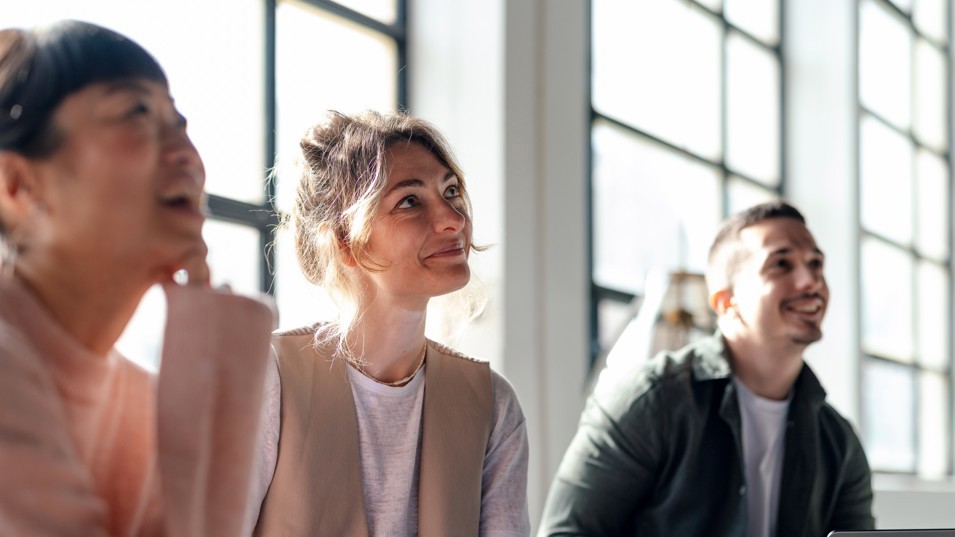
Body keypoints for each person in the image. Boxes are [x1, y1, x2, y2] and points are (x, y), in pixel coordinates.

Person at [0, 20, 275, 536]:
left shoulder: (139, 400)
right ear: (19, 185)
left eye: (180, 123)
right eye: (137, 113)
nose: (188, 158)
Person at [249, 110, 530, 536]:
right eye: (410, 201)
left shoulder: (494, 405)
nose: (452, 218)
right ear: (344, 242)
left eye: (451, 190)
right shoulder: (269, 378)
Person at [538, 201, 874, 536]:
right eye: (781, 264)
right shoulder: (648, 403)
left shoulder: (839, 441)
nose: (810, 281)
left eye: (815, 264)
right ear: (726, 303)